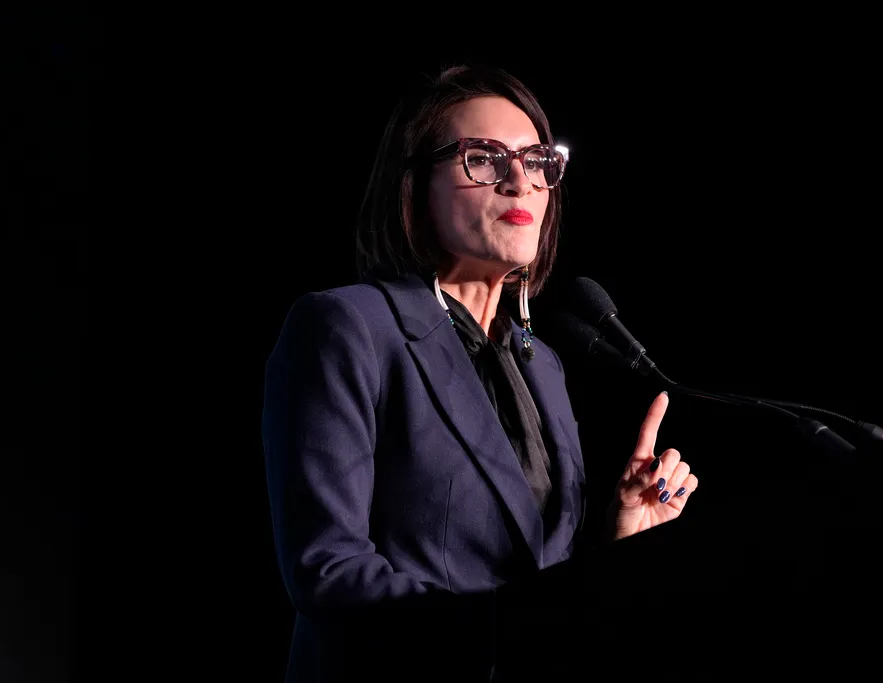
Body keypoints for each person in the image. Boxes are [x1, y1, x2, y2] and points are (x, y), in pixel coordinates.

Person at [261, 64, 699, 682]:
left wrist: (620, 540)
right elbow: (328, 568)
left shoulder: (542, 365)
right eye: (484, 159)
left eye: (537, 161)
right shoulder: (347, 327)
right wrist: (508, 626)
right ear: (415, 185)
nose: (520, 182)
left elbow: (542, 578)